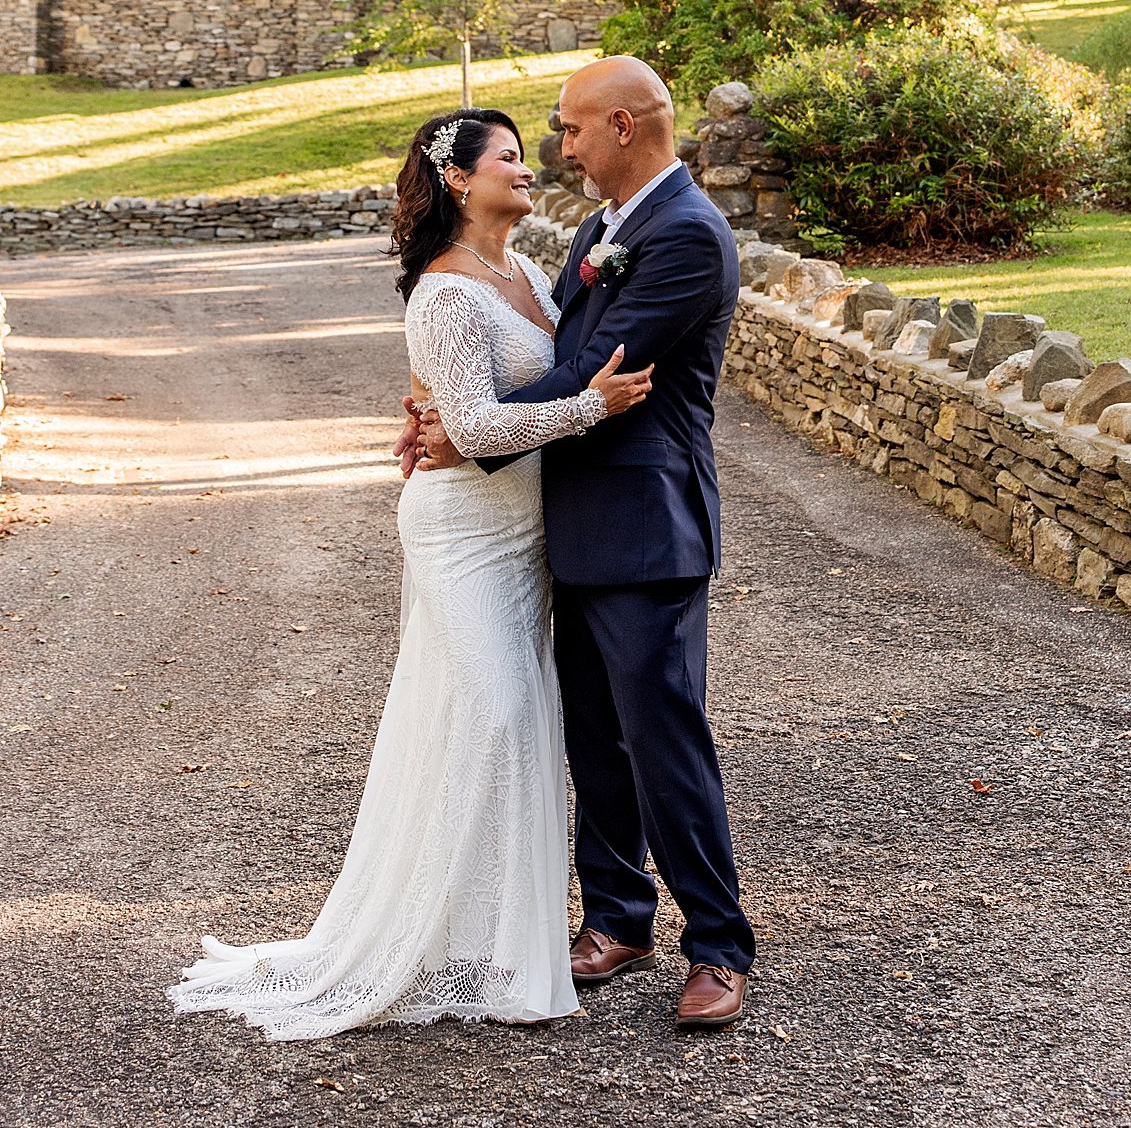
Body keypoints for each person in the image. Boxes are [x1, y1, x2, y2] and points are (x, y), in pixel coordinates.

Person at [168, 107, 652, 1035]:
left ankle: (499, 945)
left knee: (504, 721)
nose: (529, 164)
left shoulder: (525, 277)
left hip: (526, 535)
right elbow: (471, 430)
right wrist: (589, 408)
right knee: (500, 716)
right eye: (508, 156)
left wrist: (529, 406)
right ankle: (423, 944)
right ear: (461, 181)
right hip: (461, 533)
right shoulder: (442, 292)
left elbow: (492, 401)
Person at [402, 56, 756, 1028]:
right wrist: (454, 415)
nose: (561, 147)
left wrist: (460, 428)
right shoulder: (601, 231)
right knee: (592, 738)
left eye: (568, 128)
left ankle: (718, 944)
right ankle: (617, 914)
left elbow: (599, 371)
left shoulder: (686, 236)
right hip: (568, 527)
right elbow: (557, 362)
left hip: (648, 527)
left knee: (662, 739)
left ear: (624, 126)